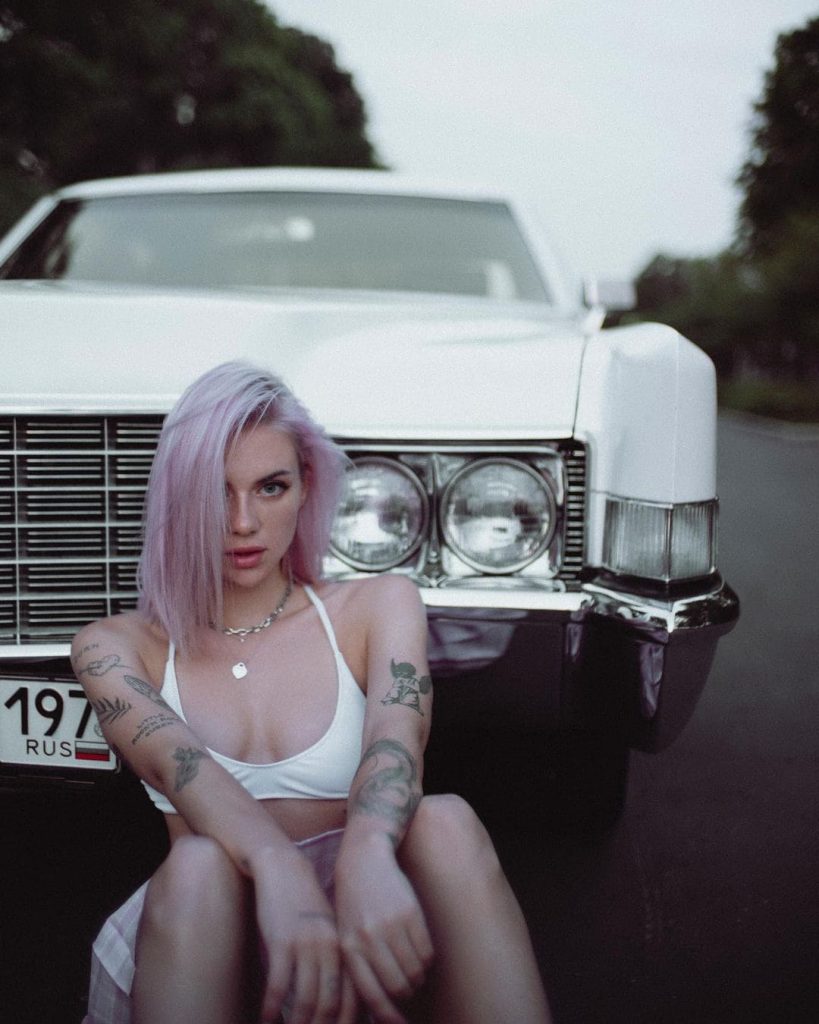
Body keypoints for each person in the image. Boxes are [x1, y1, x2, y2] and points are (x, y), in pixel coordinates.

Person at [73, 360, 552, 1024]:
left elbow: (396, 737)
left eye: (270, 487)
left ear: (306, 487)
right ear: (178, 498)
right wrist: (279, 869)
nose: (243, 522)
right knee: (198, 866)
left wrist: (366, 849)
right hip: (210, 938)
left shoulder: (377, 605)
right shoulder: (115, 647)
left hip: (369, 914)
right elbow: (182, 771)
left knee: (444, 823)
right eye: (215, 492)